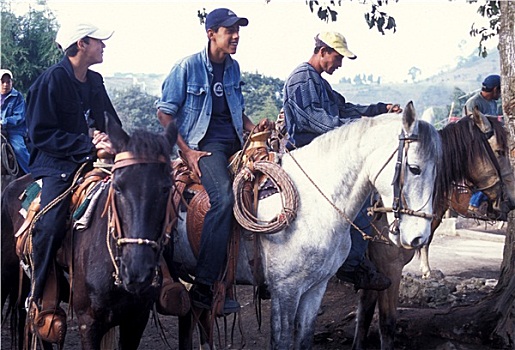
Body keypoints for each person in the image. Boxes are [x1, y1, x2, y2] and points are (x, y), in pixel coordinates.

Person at [156, 8, 272, 313]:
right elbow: (164, 114)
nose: (236, 37)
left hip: (237, 142)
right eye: (229, 31)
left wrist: (253, 129)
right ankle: (205, 285)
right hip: (206, 147)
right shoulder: (187, 67)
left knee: (275, 181)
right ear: (212, 34)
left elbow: (235, 113)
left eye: (238, 31)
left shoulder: (233, 68)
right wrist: (188, 152)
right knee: (223, 198)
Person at [283, 31, 400, 291]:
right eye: (337, 58)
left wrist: (378, 111)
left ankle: (349, 259)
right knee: (355, 201)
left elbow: (344, 109)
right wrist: (366, 129)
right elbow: (319, 122)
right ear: (322, 51)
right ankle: (349, 265)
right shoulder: (302, 79)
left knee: (366, 196)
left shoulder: (320, 83)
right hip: (308, 154)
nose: (339, 64)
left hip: (324, 152)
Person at [25, 22, 120, 320]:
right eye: (98, 41)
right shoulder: (50, 81)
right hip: (56, 163)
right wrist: (89, 145)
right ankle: (38, 292)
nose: (104, 46)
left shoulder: (95, 81)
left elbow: (110, 122)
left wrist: (116, 141)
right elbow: (41, 134)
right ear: (81, 44)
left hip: (94, 160)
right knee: (51, 224)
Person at [463, 74, 501, 217]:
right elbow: (472, 127)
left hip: (491, 143)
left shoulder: (493, 103)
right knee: (490, 173)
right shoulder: (473, 103)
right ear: (495, 89)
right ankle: (474, 204)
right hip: (476, 145)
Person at [1, 68, 31, 174]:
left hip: (13, 131)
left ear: (11, 82)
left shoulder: (18, 97)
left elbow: (19, 117)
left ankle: (33, 175)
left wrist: (3, 122)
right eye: (2, 82)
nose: (5, 84)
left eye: (8, 82)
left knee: (19, 149)